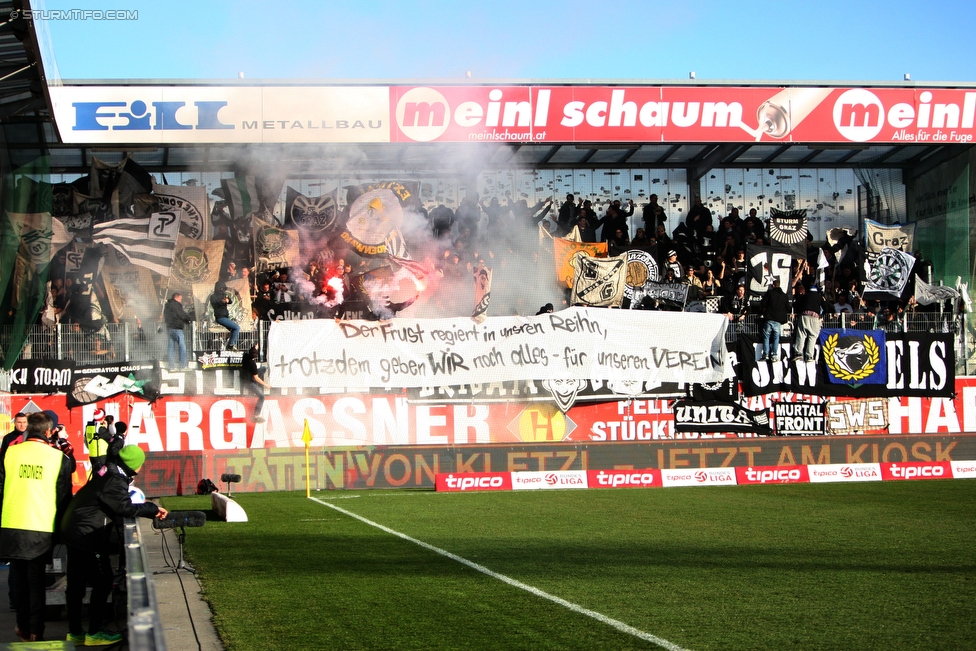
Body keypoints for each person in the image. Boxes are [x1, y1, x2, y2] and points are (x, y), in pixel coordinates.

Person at [62, 445, 167, 647]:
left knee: (76, 583)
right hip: (87, 534)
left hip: (74, 530)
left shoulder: (107, 469)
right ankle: (94, 632)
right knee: (103, 581)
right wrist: (152, 508)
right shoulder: (114, 479)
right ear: (134, 465)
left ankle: (74, 632)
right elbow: (124, 506)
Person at [0, 412, 74, 642]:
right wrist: (62, 531)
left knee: (19, 579)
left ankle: (22, 626)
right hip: (41, 525)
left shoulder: (10, 453)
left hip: (11, 524)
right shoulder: (58, 458)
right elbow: (64, 497)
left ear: (27, 430)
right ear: (49, 432)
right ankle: (35, 630)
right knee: (36, 582)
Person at [792, 282, 830, 362]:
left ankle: (798, 353)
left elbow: (796, 305)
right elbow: (826, 308)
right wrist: (822, 315)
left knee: (801, 334)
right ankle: (809, 356)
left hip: (804, 316)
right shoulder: (819, 297)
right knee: (812, 337)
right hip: (815, 317)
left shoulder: (804, 296)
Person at [759, 278, 790, 362]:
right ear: (779, 285)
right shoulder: (784, 295)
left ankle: (765, 354)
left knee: (766, 336)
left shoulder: (770, 293)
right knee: (776, 337)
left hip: (769, 318)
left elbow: (763, 303)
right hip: (778, 320)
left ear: (773, 285)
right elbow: (788, 308)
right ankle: (774, 355)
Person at [241, 343, 272, 423]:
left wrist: (255, 347)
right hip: (249, 382)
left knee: (263, 368)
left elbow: (252, 351)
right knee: (262, 396)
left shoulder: (245, 356)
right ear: (255, 356)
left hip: (247, 376)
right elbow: (256, 378)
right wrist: (266, 384)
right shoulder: (253, 365)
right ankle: (256, 416)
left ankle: (259, 384)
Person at [163, 292, 193, 370]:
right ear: (176, 298)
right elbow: (181, 314)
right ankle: (182, 366)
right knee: (182, 347)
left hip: (169, 328)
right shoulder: (176, 305)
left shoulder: (167, 305)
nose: (181, 300)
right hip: (177, 328)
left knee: (171, 348)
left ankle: (171, 367)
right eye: (180, 299)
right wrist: (188, 320)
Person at [211, 281, 240, 351]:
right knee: (236, 327)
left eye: (223, 288)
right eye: (220, 288)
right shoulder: (213, 296)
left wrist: (227, 300)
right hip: (220, 317)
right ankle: (231, 345)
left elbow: (230, 301)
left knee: (234, 330)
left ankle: (231, 346)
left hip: (224, 316)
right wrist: (222, 301)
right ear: (217, 288)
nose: (222, 290)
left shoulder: (224, 295)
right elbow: (215, 303)